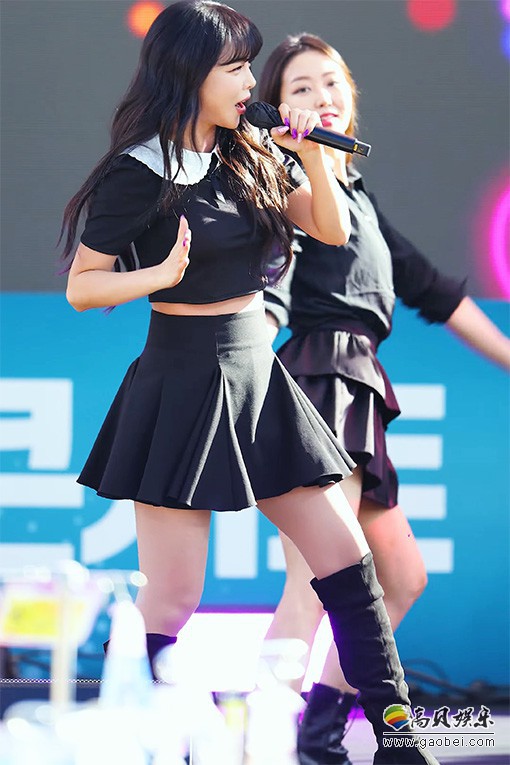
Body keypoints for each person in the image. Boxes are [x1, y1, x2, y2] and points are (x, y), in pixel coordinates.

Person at [60, 3, 441, 763]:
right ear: (187, 75)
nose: (247, 82)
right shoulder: (140, 171)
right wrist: (157, 275)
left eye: (246, 67)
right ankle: (120, 735)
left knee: (348, 564)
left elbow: (327, 228)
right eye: (234, 68)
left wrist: (315, 158)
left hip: (259, 376)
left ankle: (397, 741)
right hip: (180, 376)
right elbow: (83, 286)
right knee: (173, 597)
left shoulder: (253, 151)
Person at [259, 32, 510, 765]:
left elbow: (435, 291)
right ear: (278, 108)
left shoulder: (358, 199)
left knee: (401, 578)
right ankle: (256, 744)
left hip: (359, 390)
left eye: (331, 82)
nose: (322, 97)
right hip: (316, 384)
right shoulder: (285, 185)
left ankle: (319, 733)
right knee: (313, 583)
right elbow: (266, 288)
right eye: (301, 87)